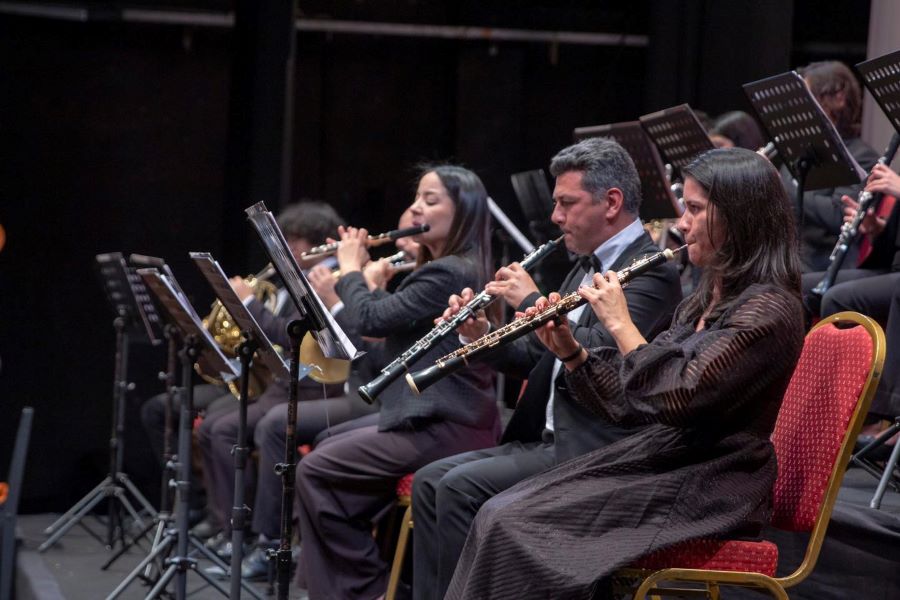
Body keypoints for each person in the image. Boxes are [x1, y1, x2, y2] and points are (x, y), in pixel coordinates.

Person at [445, 147, 805, 599]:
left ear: (740, 218)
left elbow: (678, 395)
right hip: (666, 458)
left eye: (694, 210)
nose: (682, 225)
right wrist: (574, 354)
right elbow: (632, 403)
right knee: (498, 511)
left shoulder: (769, 309)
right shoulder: (703, 300)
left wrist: (620, 325)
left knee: (513, 523)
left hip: (710, 482)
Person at [411, 137, 683, 600]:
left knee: (459, 488)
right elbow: (543, 360)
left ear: (611, 202)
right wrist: (479, 340)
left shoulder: (651, 271)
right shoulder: (584, 267)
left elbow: (606, 357)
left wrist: (533, 301)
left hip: (597, 444)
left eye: (566, 203)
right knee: (429, 480)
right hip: (548, 435)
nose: (555, 216)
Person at [292, 165, 500, 600]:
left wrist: (350, 273)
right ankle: (356, 579)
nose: (415, 208)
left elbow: (369, 319)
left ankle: (363, 589)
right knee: (328, 443)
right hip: (425, 416)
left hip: (445, 423)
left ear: (463, 212)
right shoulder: (442, 269)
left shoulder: (452, 272)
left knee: (315, 469)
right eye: (417, 198)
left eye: (430, 199)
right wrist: (369, 289)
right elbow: (379, 336)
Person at [236, 211, 419, 579]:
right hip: (358, 388)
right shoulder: (365, 278)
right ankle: (290, 546)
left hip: (364, 393)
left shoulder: (422, 281)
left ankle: (274, 542)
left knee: (279, 427)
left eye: (410, 238)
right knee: (274, 425)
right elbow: (369, 343)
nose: (399, 246)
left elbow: (354, 344)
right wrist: (365, 289)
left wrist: (344, 293)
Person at [195, 201, 346, 555]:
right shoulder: (294, 280)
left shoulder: (329, 279)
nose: (288, 249)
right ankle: (228, 522)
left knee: (232, 429)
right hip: (284, 384)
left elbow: (288, 332)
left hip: (314, 388)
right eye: (287, 240)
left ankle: (255, 534)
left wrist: (249, 304)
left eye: (296, 241)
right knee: (214, 424)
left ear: (321, 241)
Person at [784, 61, 879, 273]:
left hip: (824, 263)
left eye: (809, 99)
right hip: (794, 254)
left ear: (838, 98)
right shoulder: (801, 151)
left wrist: (786, 189)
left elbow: (838, 214)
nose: (803, 109)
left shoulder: (862, 156)